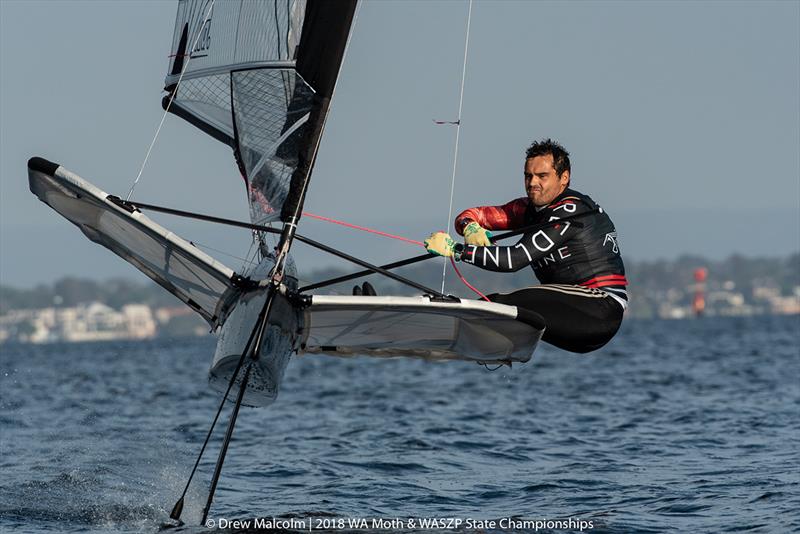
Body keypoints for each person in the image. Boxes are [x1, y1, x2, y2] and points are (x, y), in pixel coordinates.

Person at [424, 139, 627, 353]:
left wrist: (456, 250)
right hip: (570, 317)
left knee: (496, 305)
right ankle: (479, 349)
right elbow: (471, 215)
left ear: (564, 178)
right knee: (492, 307)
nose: (532, 183)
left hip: (599, 310)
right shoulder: (526, 209)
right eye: (528, 175)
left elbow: (514, 260)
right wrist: (469, 228)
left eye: (542, 176)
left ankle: (450, 333)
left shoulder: (570, 210)